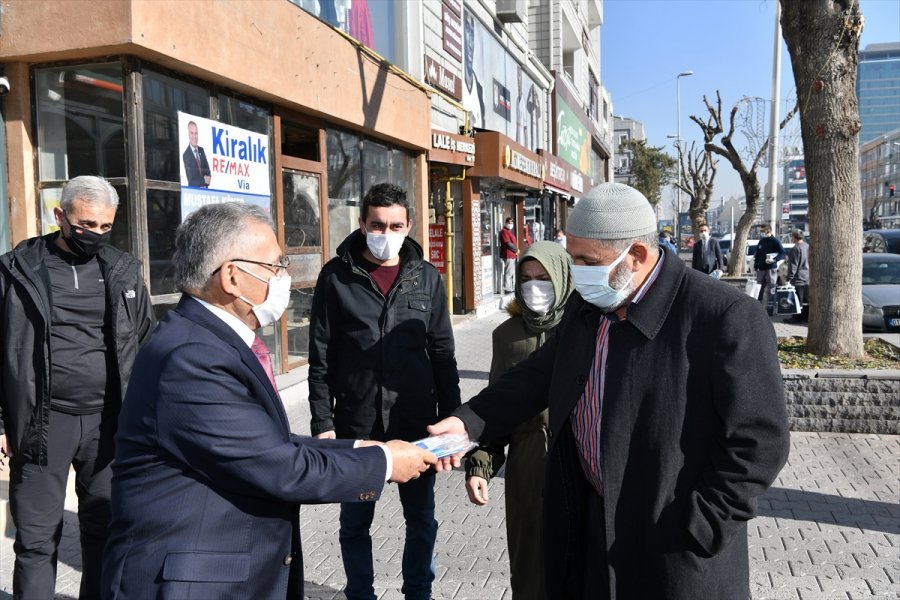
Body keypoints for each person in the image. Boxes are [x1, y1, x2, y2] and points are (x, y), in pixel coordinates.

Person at [429, 182, 791, 599]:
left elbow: (760, 441)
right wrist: (467, 422)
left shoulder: (723, 315)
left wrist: (700, 522)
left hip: (674, 550)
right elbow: (537, 376)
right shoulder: (590, 306)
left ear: (635, 256)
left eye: (587, 260)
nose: (577, 271)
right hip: (592, 529)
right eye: (573, 258)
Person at [101, 202, 436, 599]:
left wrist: (360, 446)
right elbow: (281, 468)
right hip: (194, 583)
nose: (284, 277)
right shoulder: (192, 358)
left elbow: (258, 444)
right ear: (231, 276)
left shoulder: (208, 341)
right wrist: (384, 463)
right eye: (276, 266)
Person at [0, 175, 156, 599]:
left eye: (106, 226)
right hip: (41, 424)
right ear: (60, 217)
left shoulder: (123, 270)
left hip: (108, 424)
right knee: (34, 541)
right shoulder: (17, 270)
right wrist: (2, 423)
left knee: (104, 534)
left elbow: (144, 342)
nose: (97, 235)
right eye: (87, 225)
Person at [307, 183, 460, 600]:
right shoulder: (336, 277)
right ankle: (360, 594)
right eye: (377, 224)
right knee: (355, 524)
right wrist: (323, 421)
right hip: (357, 426)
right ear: (362, 224)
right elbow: (320, 355)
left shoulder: (425, 277)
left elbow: (443, 355)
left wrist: (455, 423)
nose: (385, 232)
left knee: (422, 520)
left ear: (409, 225)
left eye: (395, 225)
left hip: (416, 422)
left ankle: (418, 593)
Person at [465, 241, 573, 600]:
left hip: (576, 461)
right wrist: (481, 465)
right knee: (529, 566)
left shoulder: (583, 330)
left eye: (543, 278)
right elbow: (498, 407)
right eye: (526, 279)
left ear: (562, 277)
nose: (535, 287)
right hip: (526, 467)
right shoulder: (507, 336)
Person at [753, 223, 786, 308]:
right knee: (758, 287)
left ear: (769, 231)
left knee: (771, 288)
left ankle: (771, 307)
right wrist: (756, 266)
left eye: (764, 231)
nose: (762, 233)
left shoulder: (775, 241)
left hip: (771, 269)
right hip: (761, 269)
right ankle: (758, 305)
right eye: (762, 231)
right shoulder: (761, 241)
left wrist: (775, 260)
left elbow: (782, 253)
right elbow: (758, 255)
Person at [462, 12, 485, 129]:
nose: (470, 40)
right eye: (467, 30)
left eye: (472, 33)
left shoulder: (479, 91)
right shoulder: (458, 82)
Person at [786, 229, 809, 322]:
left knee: (797, 300)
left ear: (794, 237)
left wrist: (789, 277)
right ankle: (805, 317)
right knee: (806, 300)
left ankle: (796, 318)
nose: (791, 238)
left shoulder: (796, 248)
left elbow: (793, 265)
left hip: (798, 278)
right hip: (807, 277)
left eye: (792, 236)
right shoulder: (807, 246)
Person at [182, 120, 211, 187]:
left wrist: (201, 180)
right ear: (188, 134)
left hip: (205, 192)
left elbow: (208, 173)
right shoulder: (186, 155)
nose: (194, 136)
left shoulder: (201, 150)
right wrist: (204, 180)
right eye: (192, 133)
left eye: (196, 133)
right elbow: (191, 182)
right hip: (195, 194)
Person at [500, 217, 518, 293]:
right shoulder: (504, 231)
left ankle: (511, 287)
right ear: (506, 223)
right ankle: (507, 288)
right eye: (509, 223)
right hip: (508, 254)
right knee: (508, 272)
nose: (510, 224)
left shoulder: (509, 231)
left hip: (512, 255)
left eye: (512, 223)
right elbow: (508, 243)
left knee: (512, 272)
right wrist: (516, 249)